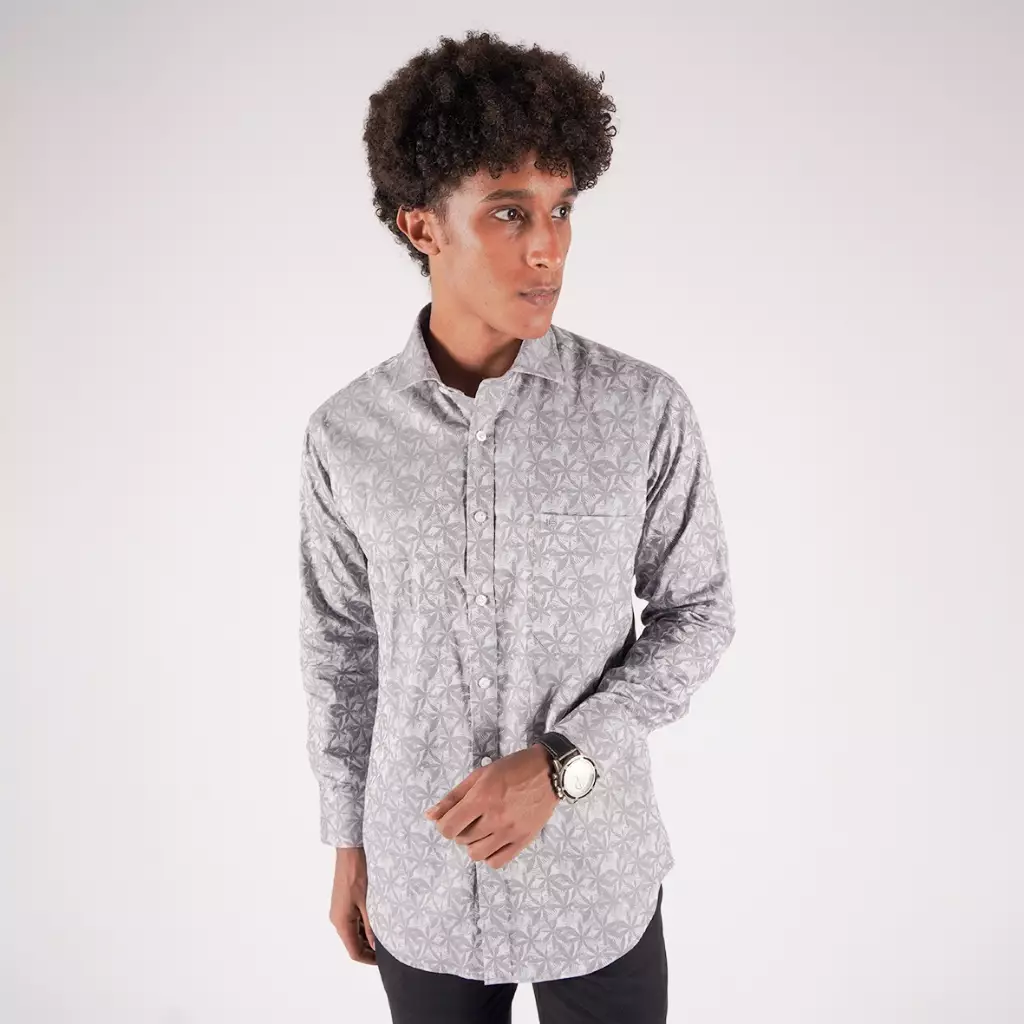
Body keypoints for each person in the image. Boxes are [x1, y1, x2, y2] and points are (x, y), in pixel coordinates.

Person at [298, 29, 737, 1024]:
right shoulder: (345, 435)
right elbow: (342, 650)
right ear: (423, 226)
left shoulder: (639, 409)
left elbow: (699, 612)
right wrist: (347, 841)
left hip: (598, 871)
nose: (549, 246)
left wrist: (561, 767)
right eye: (508, 211)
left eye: (561, 209)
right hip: (420, 875)